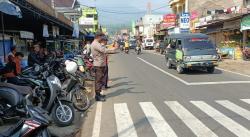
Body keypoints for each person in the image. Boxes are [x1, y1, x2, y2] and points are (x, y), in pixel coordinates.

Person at [91, 33, 118, 101]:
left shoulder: (96, 43)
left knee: (99, 80)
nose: (102, 39)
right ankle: (97, 96)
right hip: (98, 64)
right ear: (98, 37)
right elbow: (104, 50)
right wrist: (114, 49)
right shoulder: (96, 44)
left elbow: (104, 49)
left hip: (100, 64)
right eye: (102, 37)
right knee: (98, 80)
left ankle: (99, 94)